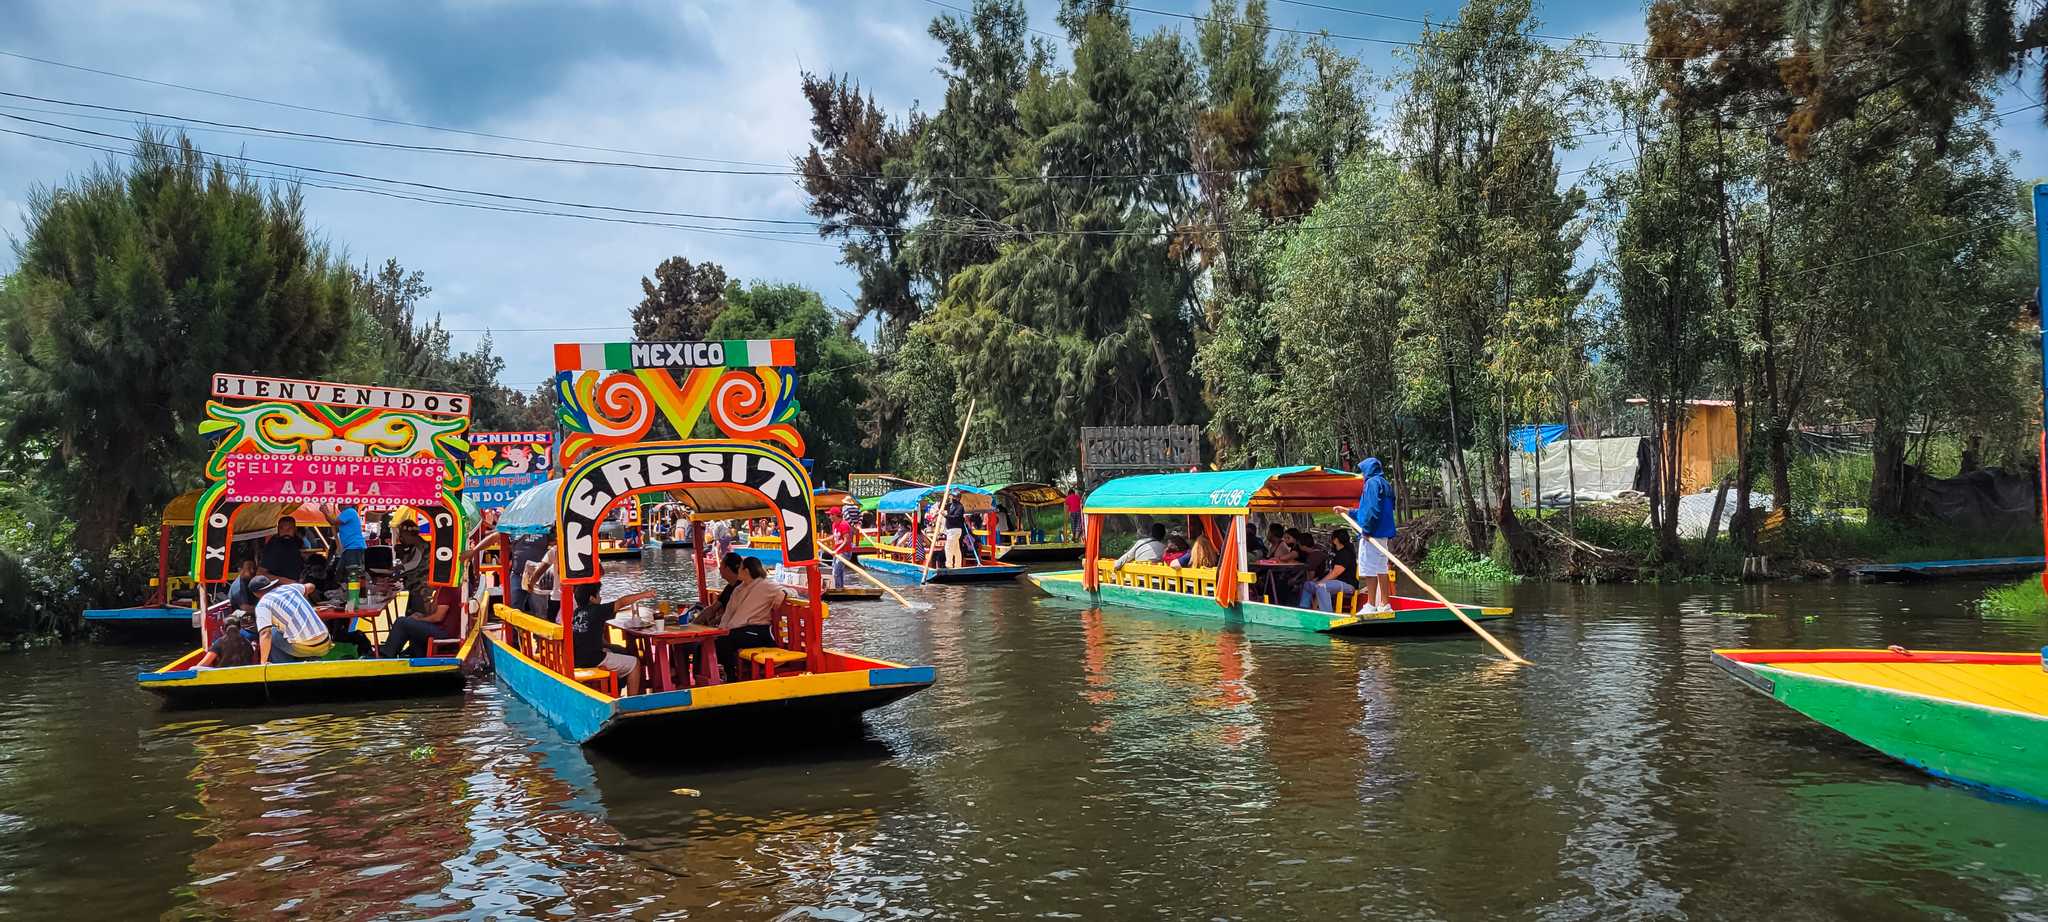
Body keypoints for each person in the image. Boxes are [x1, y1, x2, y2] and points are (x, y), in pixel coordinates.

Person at [1337, 456, 1398, 614]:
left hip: (1372, 534)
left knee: (1369, 570)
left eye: (1363, 472)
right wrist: (1348, 511)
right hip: (1382, 535)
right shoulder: (1385, 485)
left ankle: (1371, 604)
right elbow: (1369, 510)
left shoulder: (1371, 484)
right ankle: (1384, 604)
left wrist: (1366, 531)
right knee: (1380, 569)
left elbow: (1372, 511)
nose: (1362, 475)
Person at [570, 582, 652, 696]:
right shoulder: (597, 610)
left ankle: (617, 689)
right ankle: (632, 702)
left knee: (617, 650)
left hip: (577, 659)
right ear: (592, 598)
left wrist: (610, 646)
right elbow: (621, 602)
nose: (601, 597)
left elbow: (588, 636)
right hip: (593, 659)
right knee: (634, 663)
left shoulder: (577, 612)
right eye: (598, 595)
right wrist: (645, 594)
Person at [712, 557, 785, 681]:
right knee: (714, 640)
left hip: (757, 631)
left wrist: (783, 593)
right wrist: (720, 630)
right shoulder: (738, 589)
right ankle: (722, 673)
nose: (737, 570)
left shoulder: (765, 584)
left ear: (746, 570)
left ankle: (731, 676)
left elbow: (790, 590)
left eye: (740, 568)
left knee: (725, 641)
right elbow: (728, 613)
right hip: (739, 630)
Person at [250, 575, 332, 664]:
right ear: (271, 585)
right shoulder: (290, 588)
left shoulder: (263, 604)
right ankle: (310, 658)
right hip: (325, 643)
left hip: (305, 648)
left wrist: (263, 662)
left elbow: (265, 634)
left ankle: (283, 668)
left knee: (273, 633)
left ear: (255, 594)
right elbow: (311, 586)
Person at [380, 582, 462, 658]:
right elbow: (432, 611)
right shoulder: (441, 590)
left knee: (401, 622)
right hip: (441, 629)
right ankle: (410, 653)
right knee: (410, 621)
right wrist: (422, 612)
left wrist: (420, 619)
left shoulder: (447, 589)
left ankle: (387, 655)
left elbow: (438, 617)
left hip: (444, 632)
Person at [1300, 529, 1357, 612]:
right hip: (1333, 583)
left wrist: (1320, 582)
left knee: (1322, 587)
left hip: (1347, 584)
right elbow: (1330, 571)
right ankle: (1304, 610)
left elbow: (1335, 573)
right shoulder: (1336, 553)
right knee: (1307, 585)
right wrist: (1318, 580)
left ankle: (1326, 614)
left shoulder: (1345, 553)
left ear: (1336, 540)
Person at [325, 503, 368, 597]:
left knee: (353, 573)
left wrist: (325, 511)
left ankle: (355, 597)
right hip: (350, 548)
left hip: (353, 547)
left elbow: (333, 522)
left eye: (341, 503)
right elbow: (333, 522)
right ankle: (349, 595)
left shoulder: (350, 512)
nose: (339, 505)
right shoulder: (347, 513)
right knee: (344, 573)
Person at [259, 516, 305, 581]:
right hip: (278, 586)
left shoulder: (297, 543)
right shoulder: (273, 545)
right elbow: (261, 573)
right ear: (278, 530)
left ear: (295, 529)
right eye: (282, 528)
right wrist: (284, 581)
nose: (286, 532)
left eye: (289, 528)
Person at [829, 510, 857, 589]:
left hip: (844, 552)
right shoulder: (834, 524)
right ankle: (840, 587)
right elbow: (834, 536)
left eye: (831, 515)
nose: (829, 517)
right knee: (837, 570)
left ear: (835, 515)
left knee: (836, 571)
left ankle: (838, 589)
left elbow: (846, 540)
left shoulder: (843, 524)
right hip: (838, 552)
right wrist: (822, 540)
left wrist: (836, 551)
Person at [942, 494, 967, 569]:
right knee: (956, 550)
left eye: (954, 496)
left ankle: (949, 566)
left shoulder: (959, 507)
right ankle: (958, 566)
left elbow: (956, 518)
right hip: (951, 530)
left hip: (955, 530)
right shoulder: (950, 505)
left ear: (958, 498)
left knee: (948, 547)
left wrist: (946, 515)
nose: (952, 498)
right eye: (952, 496)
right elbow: (942, 506)